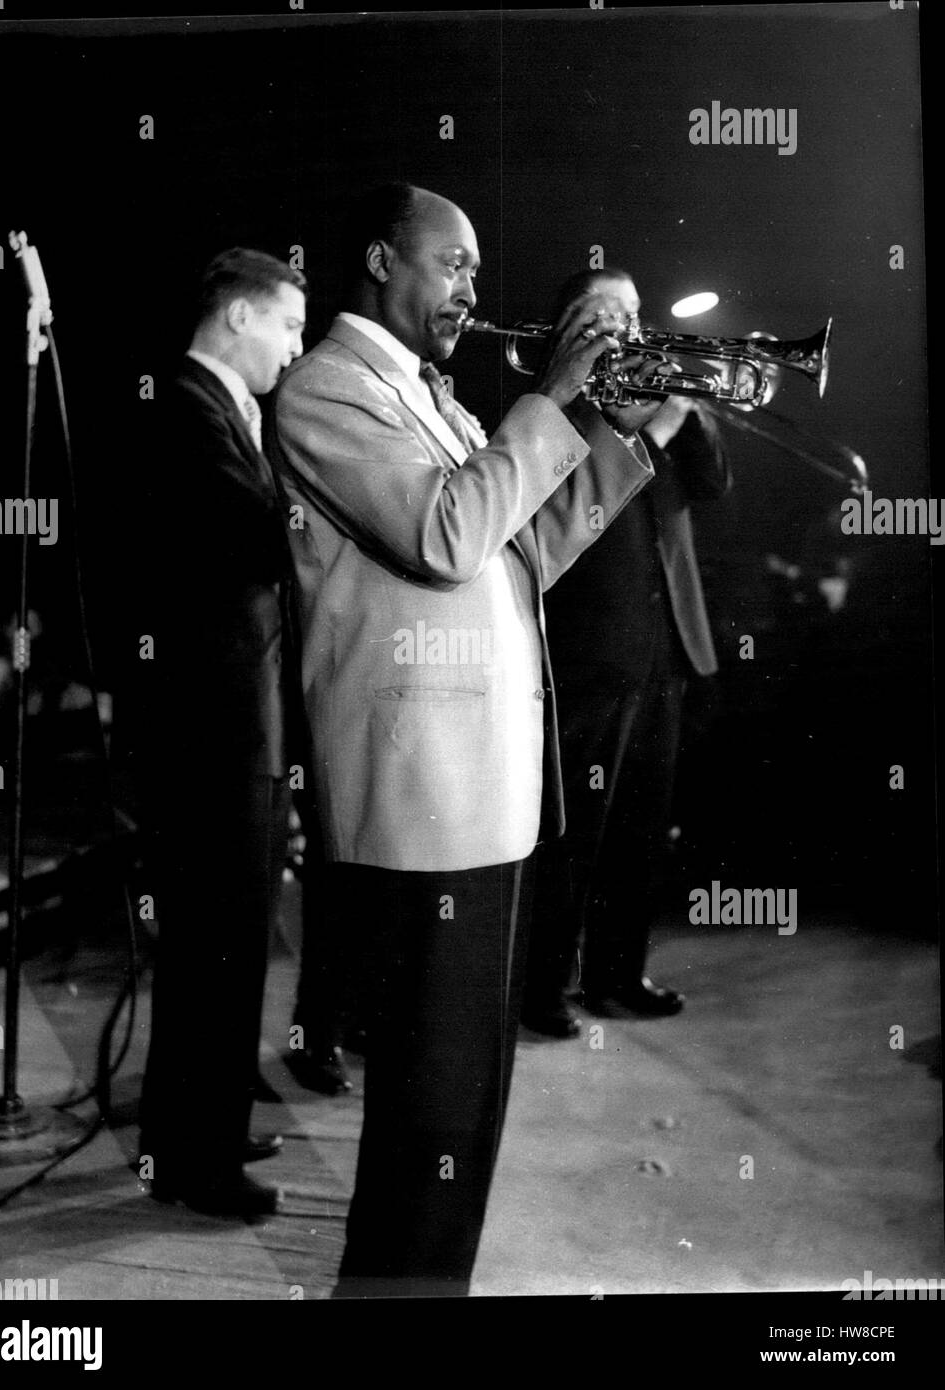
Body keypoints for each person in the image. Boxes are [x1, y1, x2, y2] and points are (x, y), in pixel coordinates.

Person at [265, 183, 664, 1296]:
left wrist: (606, 425)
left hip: (482, 799)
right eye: (452, 266)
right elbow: (446, 535)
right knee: (426, 1114)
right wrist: (551, 397)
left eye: (478, 272)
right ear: (381, 261)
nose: (472, 291)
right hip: (418, 809)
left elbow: (518, 549)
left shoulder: (423, 394)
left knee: (466, 1111)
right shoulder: (325, 391)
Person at [136, 248, 306, 1218]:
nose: (293, 346)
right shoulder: (184, 407)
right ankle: (197, 1165)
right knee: (217, 946)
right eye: (286, 325)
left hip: (236, 728)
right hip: (210, 737)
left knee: (229, 941)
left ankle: (200, 1128)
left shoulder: (224, 407)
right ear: (239, 316)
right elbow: (256, 532)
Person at [521, 268, 730, 1037]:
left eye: (636, 313)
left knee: (642, 826)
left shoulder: (654, 395)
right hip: (592, 647)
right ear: (573, 322)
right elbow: (585, 513)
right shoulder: (563, 405)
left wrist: (695, 415)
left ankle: (618, 974)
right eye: (609, 314)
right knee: (577, 831)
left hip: (665, 641)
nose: (630, 327)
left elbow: (712, 487)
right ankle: (541, 987)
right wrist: (652, 428)